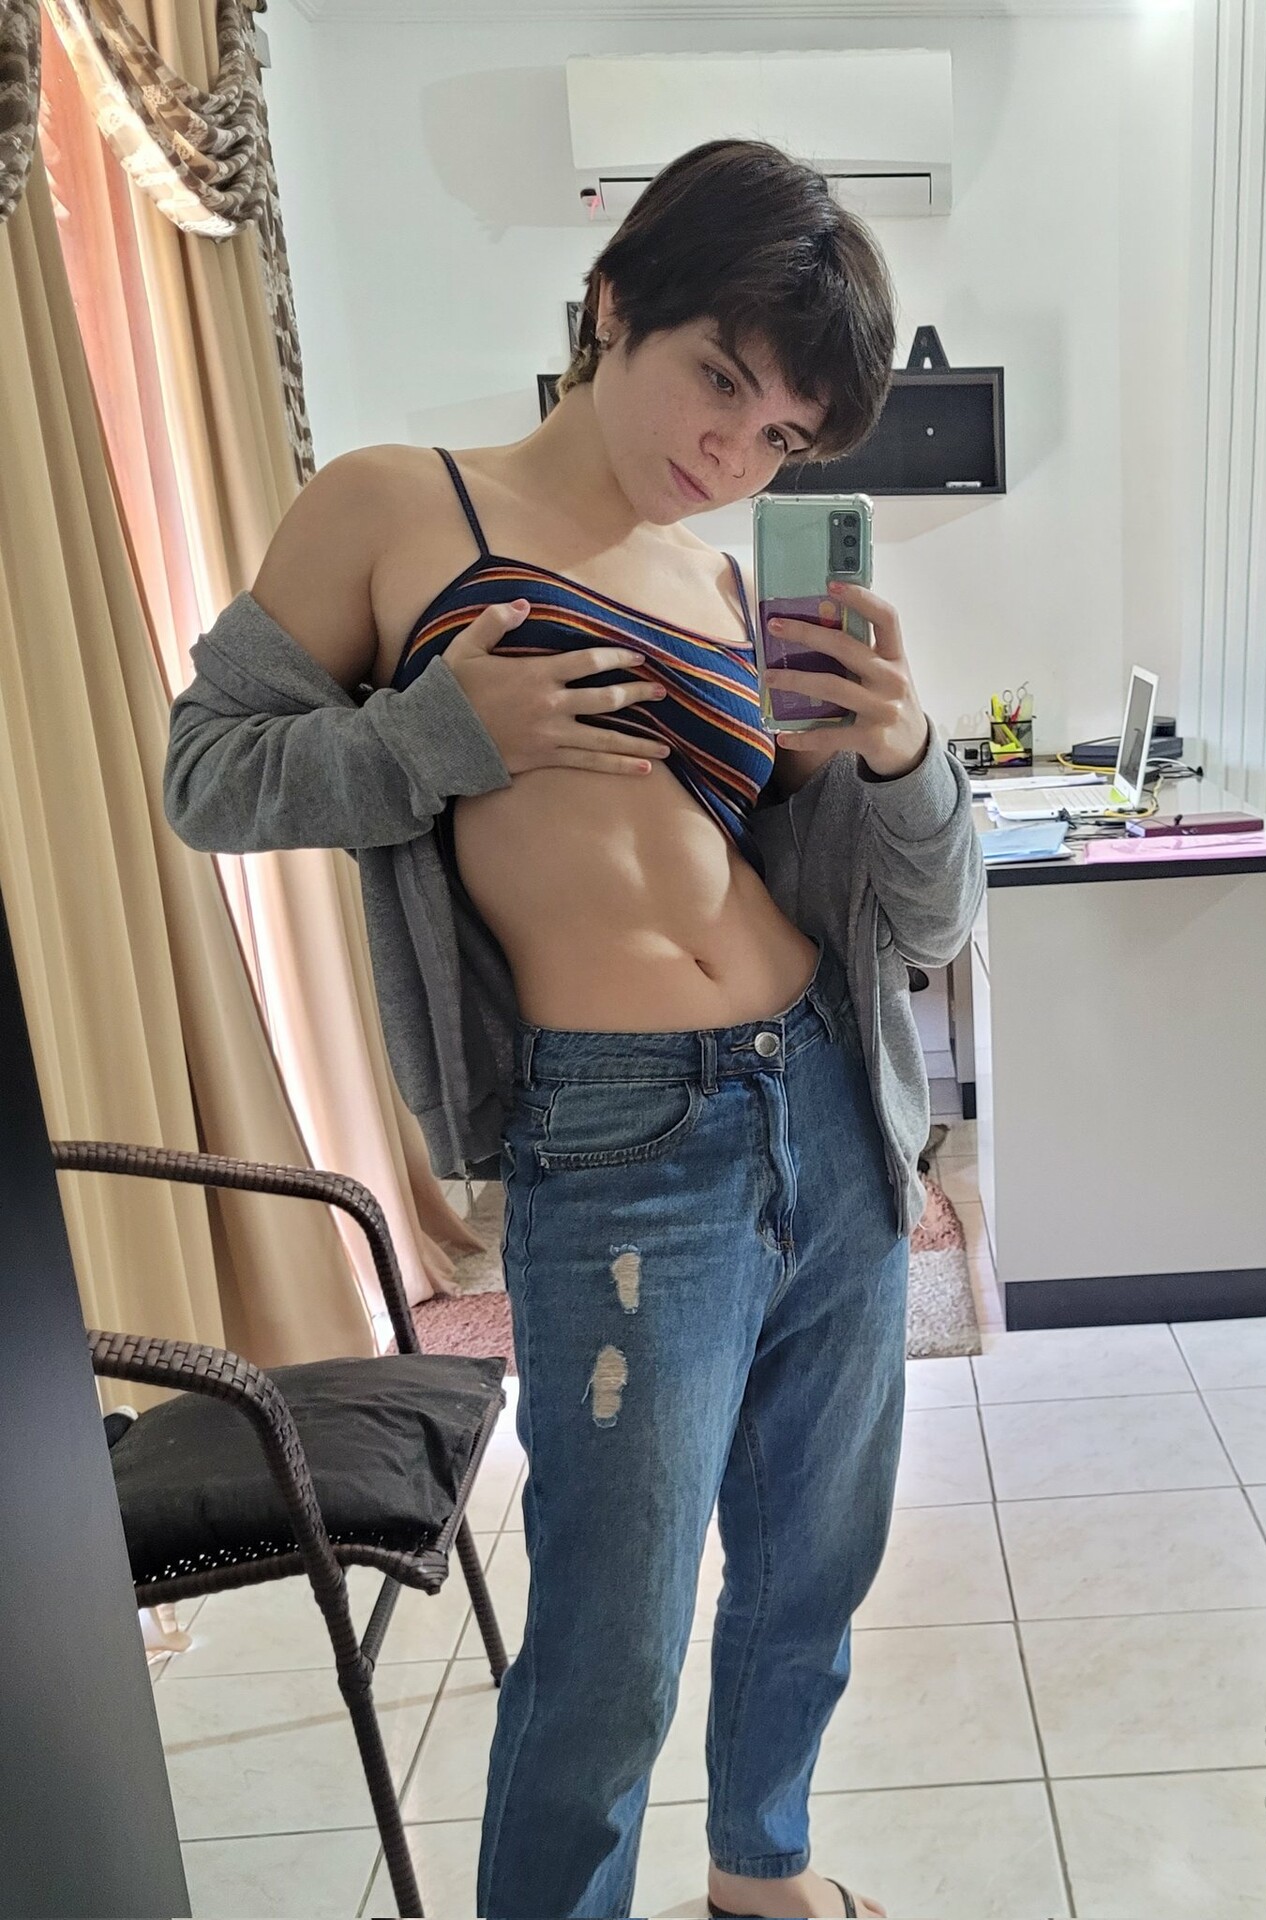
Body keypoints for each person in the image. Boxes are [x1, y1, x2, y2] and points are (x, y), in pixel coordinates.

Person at [165, 138, 983, 1920]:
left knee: (810, 1560)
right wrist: (441, 734)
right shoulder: (401, 508)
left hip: (824, 1102)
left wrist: (908, 754)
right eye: (719, 378)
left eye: (781, 436)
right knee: (610, 1637)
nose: (732, 450)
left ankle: (763, 1870)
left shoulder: (722, 589)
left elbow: (920, 915)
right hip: (621, 1144)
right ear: (612, 304)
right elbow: (205, 775)